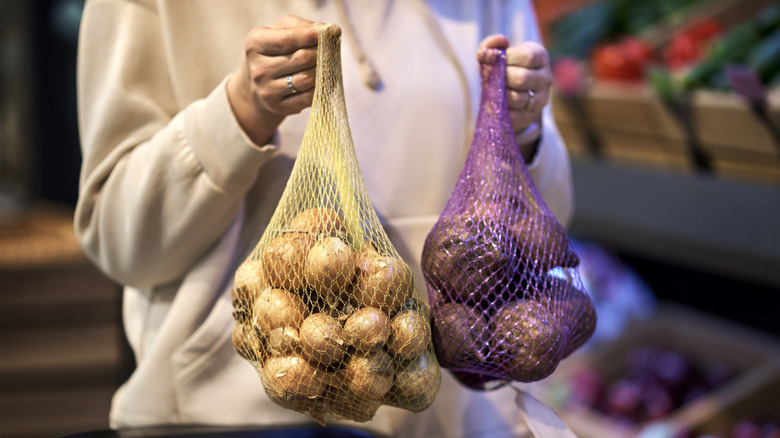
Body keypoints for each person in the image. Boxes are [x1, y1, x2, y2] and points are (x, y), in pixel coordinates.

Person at [74, 0, 574, 436]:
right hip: (235, 420)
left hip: (449, 416)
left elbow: (549, 233)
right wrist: (240, 112)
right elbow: (120, 242)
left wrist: (521, 138)